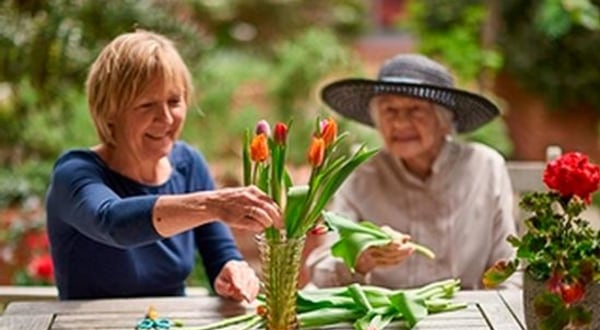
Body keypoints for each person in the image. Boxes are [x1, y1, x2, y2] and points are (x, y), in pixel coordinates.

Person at [45, 30, 282, 301]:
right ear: (110, 112)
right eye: (147, 105)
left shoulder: (189, 165)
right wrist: (213, 204)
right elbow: (111, 222)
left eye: (174, 101)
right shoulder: (74, 173)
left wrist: (233, 271)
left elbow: (220, 253)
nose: (166, 118)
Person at [305, 53, 516, 290]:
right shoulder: (360, 174)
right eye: (389, 110)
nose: (400, 123)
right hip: (384, 321)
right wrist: (360, 258)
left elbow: (508, 270)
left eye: (416, 110)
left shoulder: (484, 167)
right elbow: (321, 272)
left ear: (444, 120)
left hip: (466, 313)